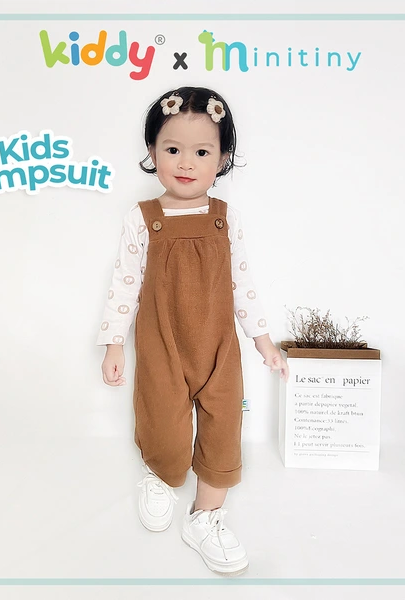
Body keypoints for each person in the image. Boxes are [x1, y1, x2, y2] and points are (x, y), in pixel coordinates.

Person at [97, 86, 289, 576]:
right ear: (152, 151)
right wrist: (114, 342)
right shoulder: (144, 219)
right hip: (162, 343)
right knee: (162, 422)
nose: (186, 162)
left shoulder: (226, 220)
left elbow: (242, 283)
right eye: (172, 149)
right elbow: (125, 282)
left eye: (202, 152)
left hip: (219, 347)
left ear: (222, 159)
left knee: (224, 428)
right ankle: (160, 474)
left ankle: (205, 516)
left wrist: (263, 341)